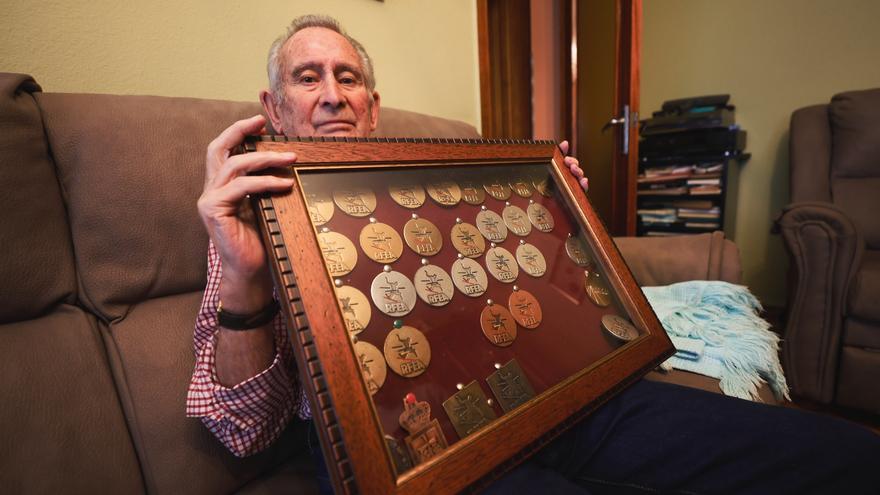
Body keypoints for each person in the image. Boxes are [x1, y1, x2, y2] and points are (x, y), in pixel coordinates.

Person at [188, 14, 880, 494]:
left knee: (840, 457)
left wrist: (559, 222)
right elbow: (243, 432)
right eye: (308, 78)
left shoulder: (441, 184)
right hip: (411, 453)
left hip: (554, 400)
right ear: (273, 107)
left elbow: (559, 312)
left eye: (347, 78)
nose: (332, 95)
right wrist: (247, 277)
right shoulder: (249, 214)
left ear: (372, 105)